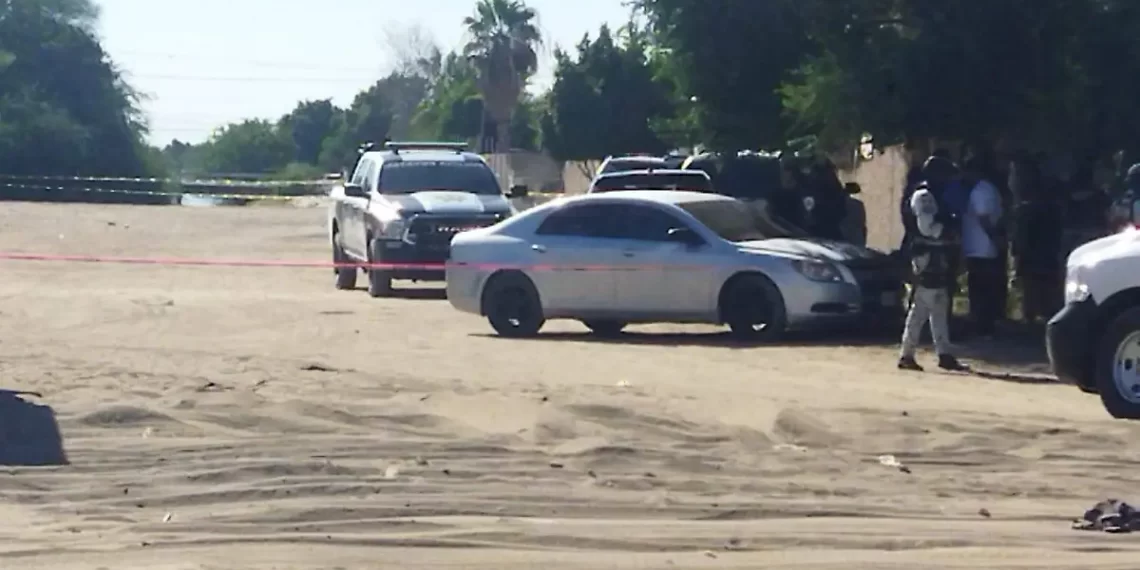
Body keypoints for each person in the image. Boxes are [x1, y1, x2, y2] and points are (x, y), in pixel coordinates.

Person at [898, 178, 969, 372]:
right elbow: (931, 232)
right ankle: (909, 355)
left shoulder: (923, 210)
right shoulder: (925, 206)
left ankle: (940, 354)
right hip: (928, 271)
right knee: (921, 314)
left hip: (933, 270)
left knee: (934, 313)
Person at [961, 158, 1005, 337]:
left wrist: (994, 238)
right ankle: (984, 323)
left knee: (980, 288)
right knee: (984, 287)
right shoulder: (988, 189)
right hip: (982, 247)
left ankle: (982, 325)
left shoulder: (981, 191)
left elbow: (984, 218)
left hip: (981, 247)